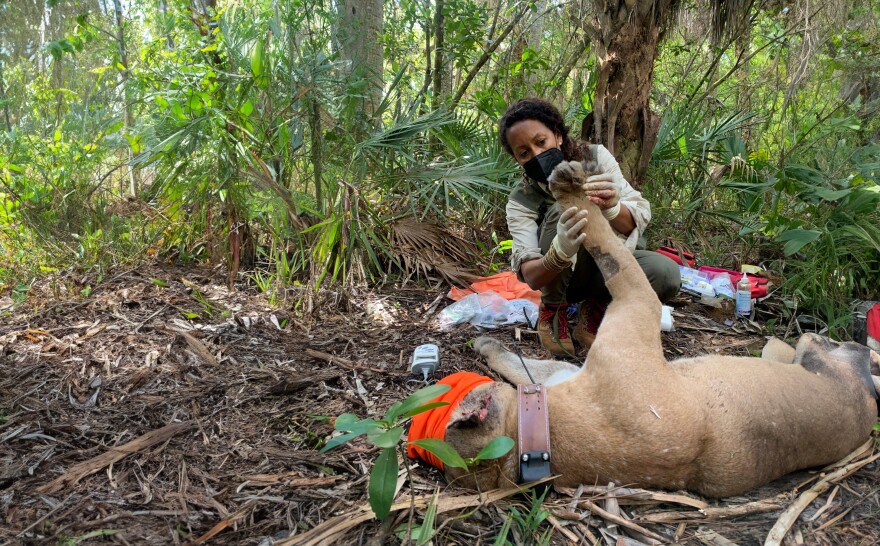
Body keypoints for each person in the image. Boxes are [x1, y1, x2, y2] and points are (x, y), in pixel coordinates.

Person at [499, 98, 680, 356]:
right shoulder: (521, 201)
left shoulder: (595, 159)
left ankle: (598, 307)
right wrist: (558, 252)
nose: (537, 155)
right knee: (562, 207)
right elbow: (531, 275)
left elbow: (635, 222)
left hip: (607, 266)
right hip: (562, 281)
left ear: (558, 136)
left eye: (541, 142)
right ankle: (553, 311)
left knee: (664, 273)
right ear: (518, 160)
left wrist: (612, 207)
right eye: (524, 152)